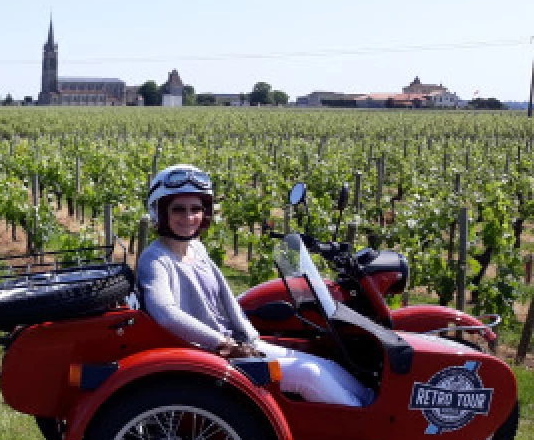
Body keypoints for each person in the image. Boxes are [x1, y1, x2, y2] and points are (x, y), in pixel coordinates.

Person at [136, 164, 374, 407]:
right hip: (205, 353)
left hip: (234, 345)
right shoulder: (155, 260)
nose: (188, 217)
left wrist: (249, 339)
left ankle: (371, 404)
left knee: (325, 364)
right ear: (160, 211)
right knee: (309, 375)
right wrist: (223, 343)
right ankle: (368, 425)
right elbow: (165, 314)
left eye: (196, 209)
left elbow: (225, 299)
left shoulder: (196, 248)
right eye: (178, 210)